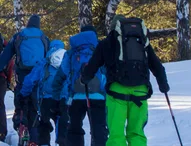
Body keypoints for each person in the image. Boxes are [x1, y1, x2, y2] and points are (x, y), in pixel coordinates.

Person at [81, 15, 170, 146]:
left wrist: (85, 78)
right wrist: (163, 85)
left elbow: (93, 65)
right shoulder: (142, 42)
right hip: (140, 91)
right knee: (137, 133)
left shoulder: (107, 43)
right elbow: (157, 66)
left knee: (116, 134)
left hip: (116, 92)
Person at [0, 14, 50, 143]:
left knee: (21, 104)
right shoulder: (44, 37)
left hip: (22, 77)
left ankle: (21, 126)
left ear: (28, 24)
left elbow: (6, 55)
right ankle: (34, 139)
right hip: (38, 78)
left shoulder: (19, 36)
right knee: (34, 107)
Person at [52, 25, 108, 146]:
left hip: (76, 96)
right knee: (98, 128)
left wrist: (56, 96)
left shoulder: (72, 52)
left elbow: (61, 75)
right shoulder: (101, 48)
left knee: (74, 129)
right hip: (98, 96)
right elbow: (107, 72)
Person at [19, 39, 68, 146]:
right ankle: (62, 142)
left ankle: (44, 144)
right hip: (63, 99)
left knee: (43, 124)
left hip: (45, 100)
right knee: (62, 123)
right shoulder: (68, 62)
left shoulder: (44, 62)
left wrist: (23, 94)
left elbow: (30, 80)